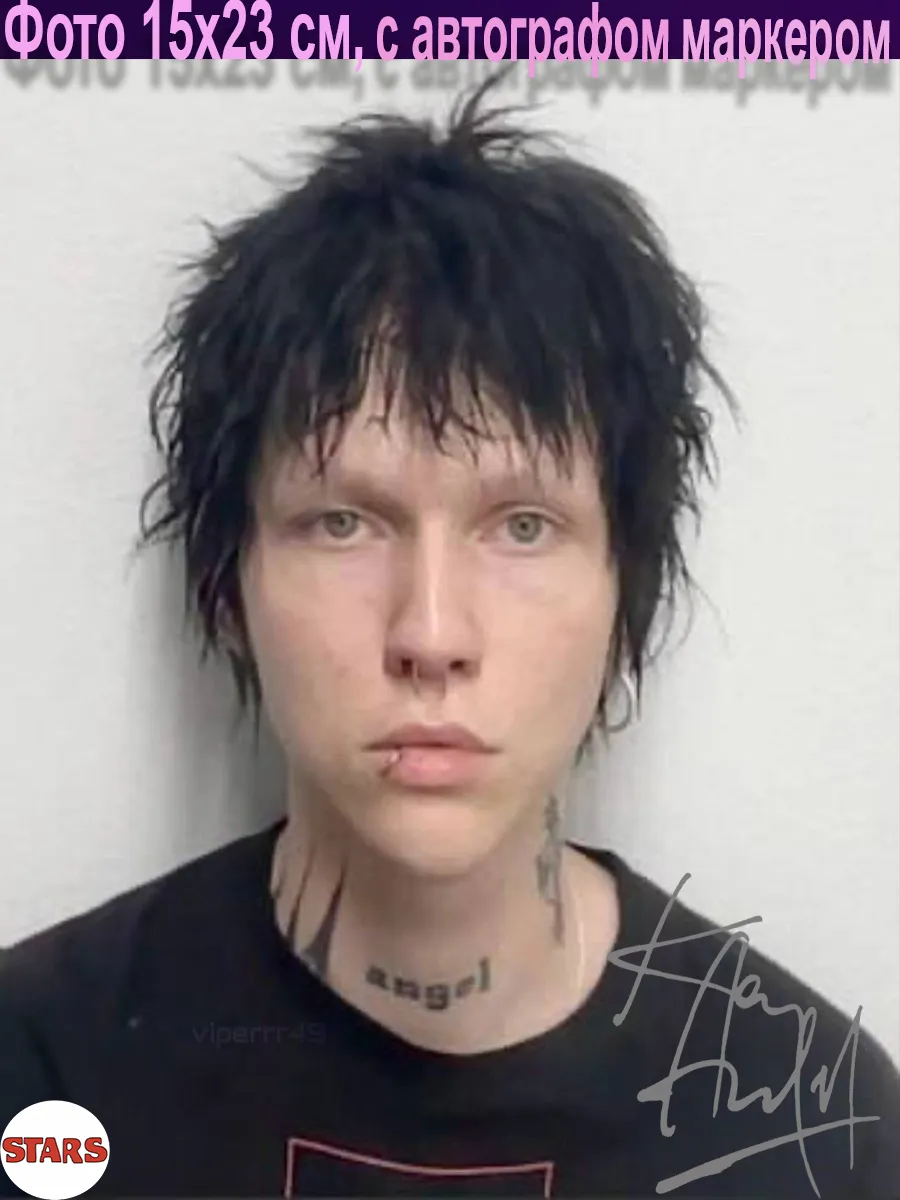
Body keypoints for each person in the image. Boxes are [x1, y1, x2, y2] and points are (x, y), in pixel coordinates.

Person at [1, 80, 898, 1200]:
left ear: (626, 586)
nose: (431, 633)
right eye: (343, 522)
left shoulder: (816, 1130)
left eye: (523, 526)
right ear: (230, 585)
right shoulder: (41, 1074)